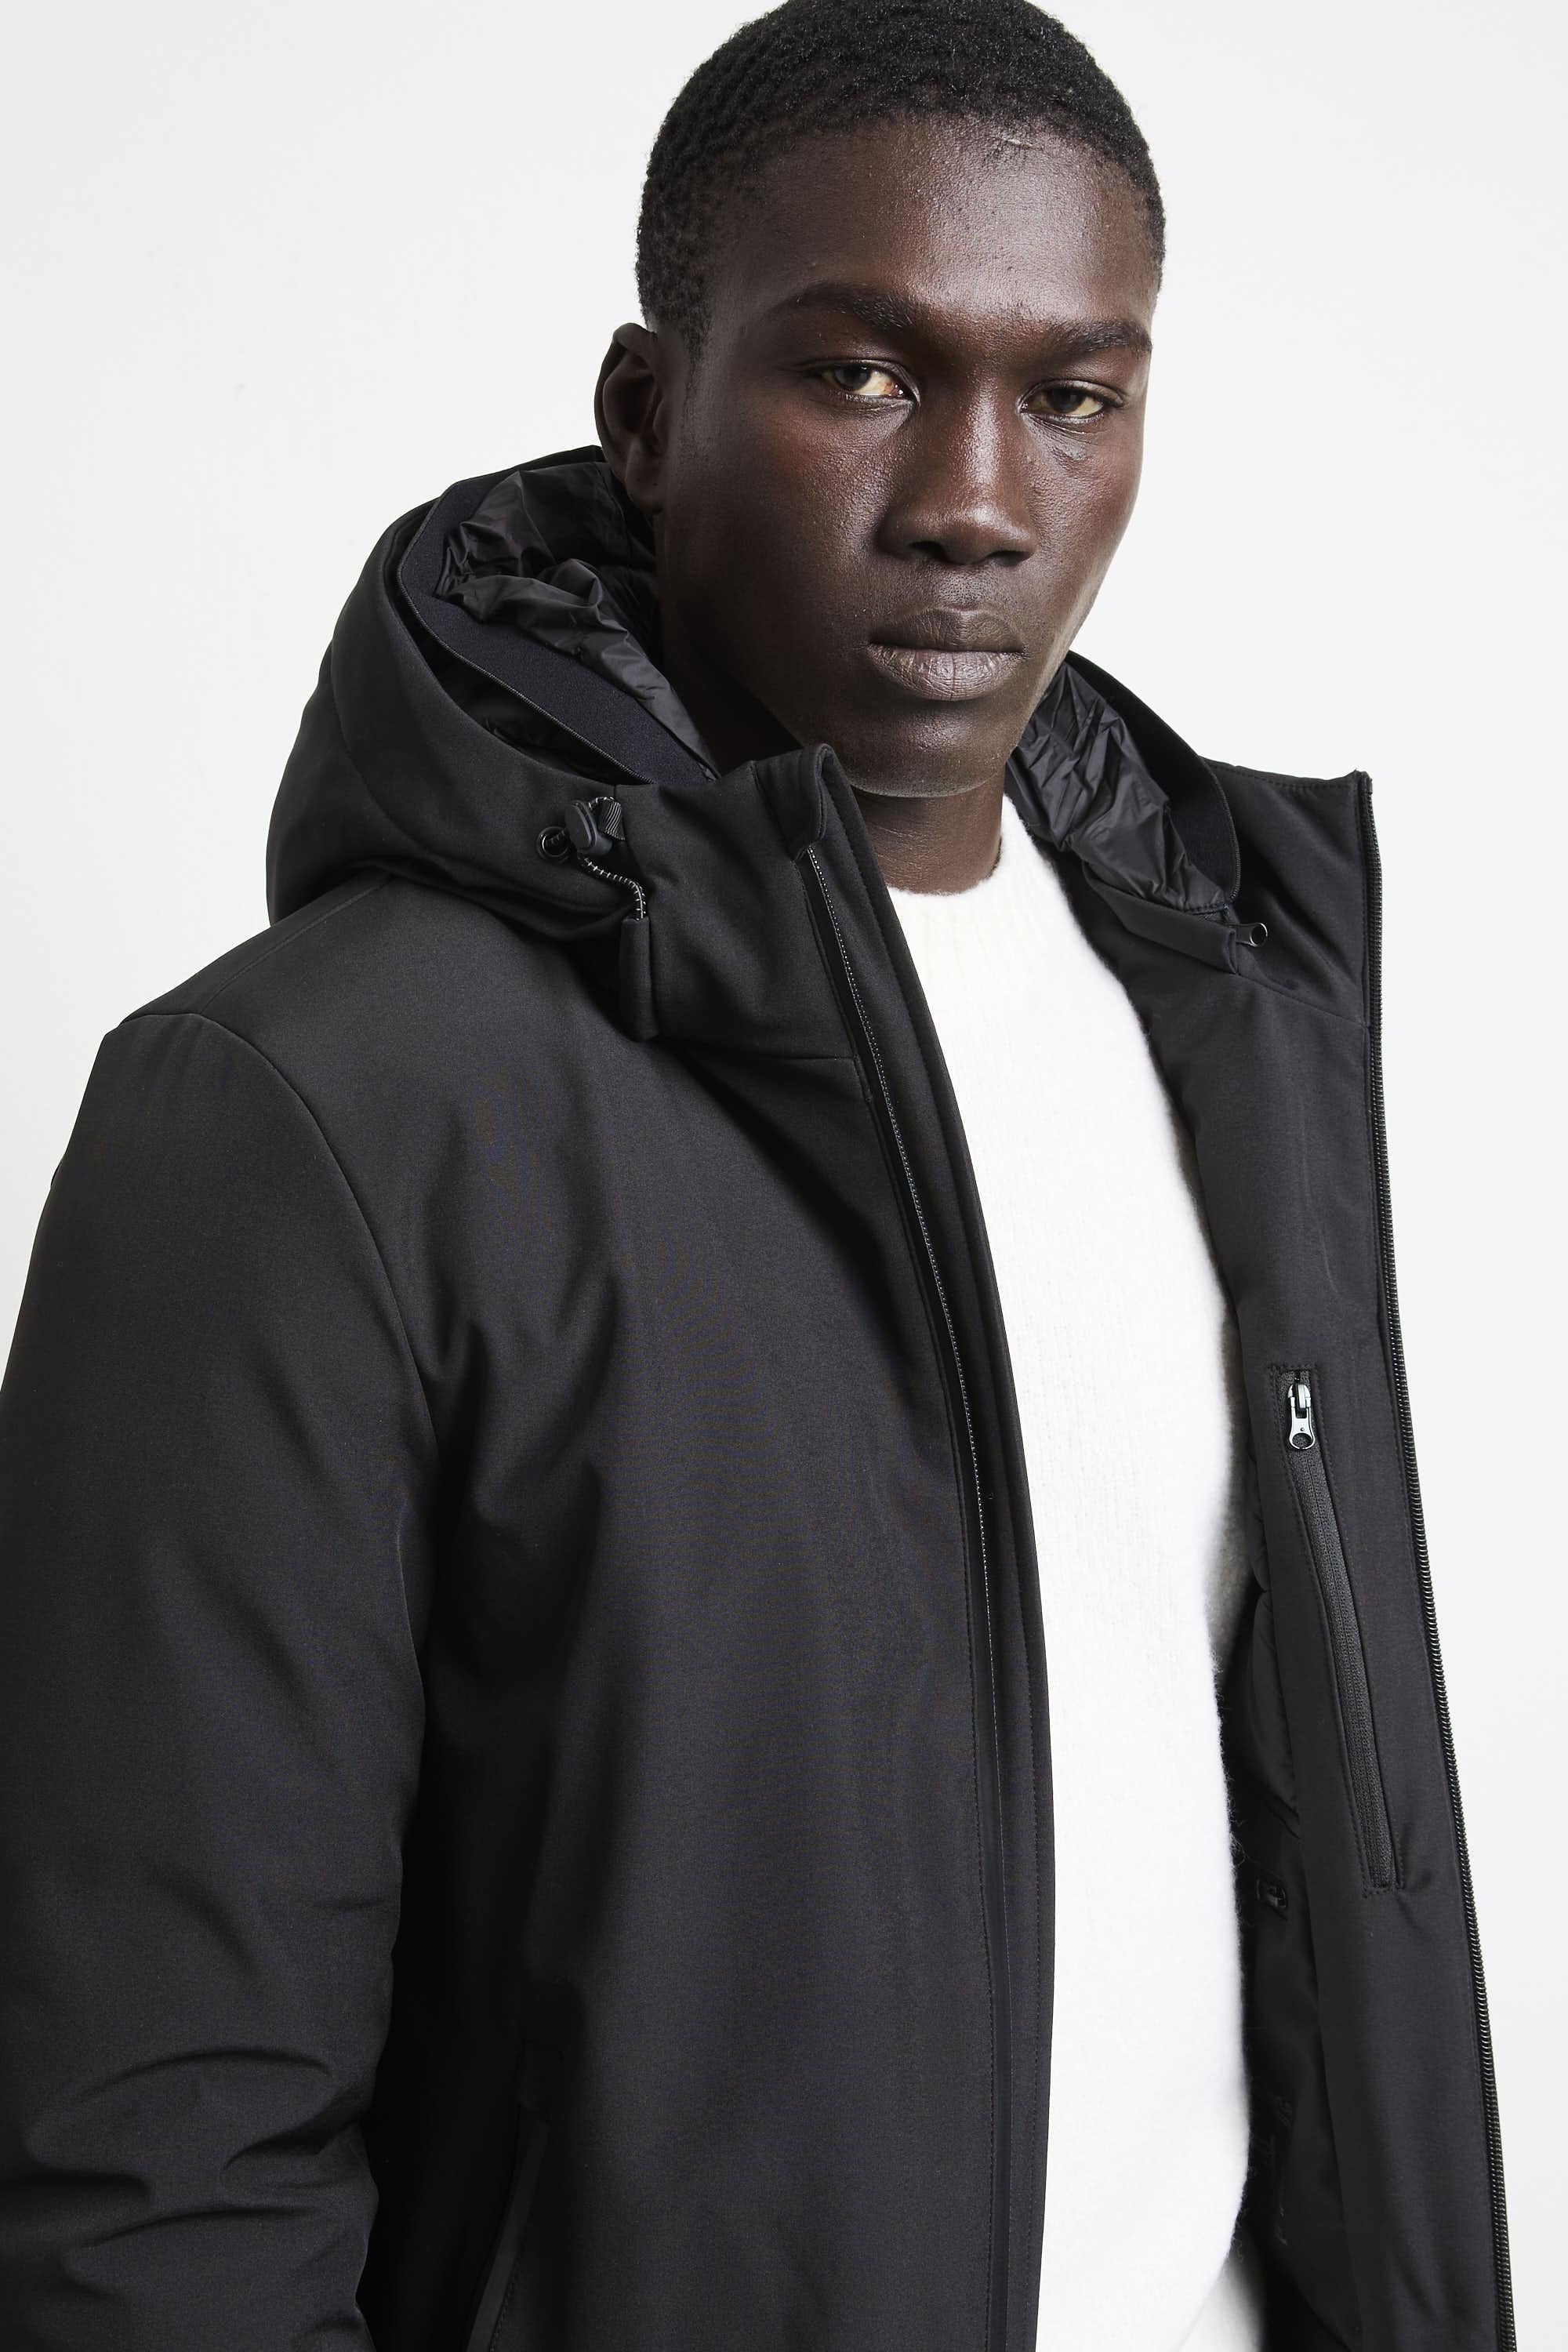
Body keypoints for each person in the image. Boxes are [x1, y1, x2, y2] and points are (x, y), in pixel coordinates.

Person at [0, 2, 1513, 2347]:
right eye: (865, 376)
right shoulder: (306, 1105)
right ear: (648, 414)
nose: (978, 501)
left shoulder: (1234, 1017)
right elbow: (151, 2162)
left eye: (1075, 396)